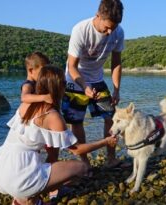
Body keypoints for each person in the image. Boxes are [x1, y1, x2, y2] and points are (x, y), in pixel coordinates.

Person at [0, 65, 117, 205]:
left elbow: (47, 145)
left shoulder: (25, 105)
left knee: (50, 153)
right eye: (64, 83)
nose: (66, 86)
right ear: (59, 87)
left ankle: (25, 198)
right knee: (81, 168)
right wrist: (105, 141)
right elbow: (77, 150)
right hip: (20, 176)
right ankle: (30, 200)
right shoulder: (52, 116)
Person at [62, 0, 126, 169]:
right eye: (107, 27)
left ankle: (111, 158)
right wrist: (84, 87)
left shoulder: (118, 32)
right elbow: (72, 67)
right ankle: (84, 162)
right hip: (75, 81)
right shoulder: (80, 30)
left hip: (97, 80)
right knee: (77, 122)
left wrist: (117, 90)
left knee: (111, 118)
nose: (110, 31)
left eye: (114, 27)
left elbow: (116, 63)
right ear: (98, 16)